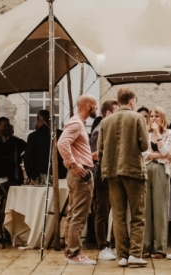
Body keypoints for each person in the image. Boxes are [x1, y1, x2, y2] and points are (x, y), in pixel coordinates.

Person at [98, 87, 149, 268]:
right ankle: (135, 253)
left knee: (118, 215)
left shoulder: (106, 122)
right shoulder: (138, 118)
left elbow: (101, 150)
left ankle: (122, 256)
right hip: (133, 170)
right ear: (132, 100)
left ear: (118, 101)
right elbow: (144, 145)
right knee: (137, 215)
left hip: (112, 171)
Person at [57, 94, 98, 266]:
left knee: (73, 213)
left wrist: (91, 156)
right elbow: (62, 143)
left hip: (79, 172)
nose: (96, 108)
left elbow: (73, 147)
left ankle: (70, 252)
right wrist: (74, 164)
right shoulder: (76, 123)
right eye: (95, 105)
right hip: (80, 175)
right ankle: (74, 254)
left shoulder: (78, 123)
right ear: (88, 105)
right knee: (79, 215)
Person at [142, 106, 171, 259]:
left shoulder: (170, 133)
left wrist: (157, 135)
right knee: (146, 209)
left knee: (160, 209)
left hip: (163, 171)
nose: (153, 119)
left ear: (163, 119)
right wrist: (159, 155)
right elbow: (142, 154)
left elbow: (168, 153)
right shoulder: (144, 134)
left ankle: (160, 247)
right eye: (151, 116)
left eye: (157, 116)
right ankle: (146, 246)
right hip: (146, 170)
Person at [89, 100, 118, 261]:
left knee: (113, 211)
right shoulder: (99, 131)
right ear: (108, 113)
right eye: (116, 111)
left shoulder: (109, 129)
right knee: (102, 212)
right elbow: (96, 155)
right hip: (101, 175)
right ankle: (102, 247)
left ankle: (112, 245)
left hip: (111, 174)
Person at [24, 109, 67, 185]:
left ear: (38, 120)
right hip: (59, 174)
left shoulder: (33, 136)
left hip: (38, 176)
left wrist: (30, 175)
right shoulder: (60, 134)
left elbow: (27, 158)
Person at [0, 117, 27, 186]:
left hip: (14, 176)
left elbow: (28, 148)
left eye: (8, 126)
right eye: (4, 126)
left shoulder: (16, 141)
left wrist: (21, 158)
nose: (7, 128)